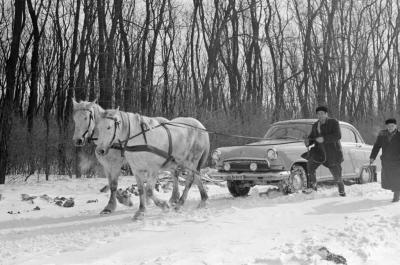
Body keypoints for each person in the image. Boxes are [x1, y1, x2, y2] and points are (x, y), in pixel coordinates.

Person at [302, 106, 346, 196]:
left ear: (326, 114)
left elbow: (337, 135)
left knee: (337, 176)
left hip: (333, 153)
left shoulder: (334, 122)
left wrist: (324, 139)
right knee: (310, 165)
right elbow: (312, 139)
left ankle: (341, 191)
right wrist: (308, 141)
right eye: (318, 114)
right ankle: (312, 187)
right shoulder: (315, 125)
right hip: (319, 152)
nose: (320, 116)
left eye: (322, 113)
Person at [369, 118, 400, 202]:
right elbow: (376, 146)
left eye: (392, 126)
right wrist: (372, 157)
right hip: (386, 160)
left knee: (396, 178)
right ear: (386, 126)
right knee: (388, 178)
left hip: (397, 161)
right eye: (389, 126)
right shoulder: (382, 134)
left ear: (396, 126)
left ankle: (396, 194)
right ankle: (395, 190)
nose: (390, 127)